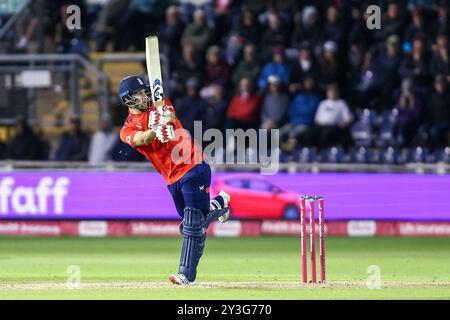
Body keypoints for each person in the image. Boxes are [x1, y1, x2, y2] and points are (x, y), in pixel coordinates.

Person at [117, 75, 230, 285]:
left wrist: (165, 121)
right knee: (189, 223)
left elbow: (168, 114)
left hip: (192, 164)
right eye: (139, 94)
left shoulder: (160, 104)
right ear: (128, 100)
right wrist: (155, 131)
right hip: (171, 177)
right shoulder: (127, 130)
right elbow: (142, 139)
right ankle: (220, 203)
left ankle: (186, 275)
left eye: (145, 92)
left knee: (193, 224)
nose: (145, 96)